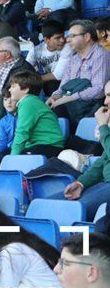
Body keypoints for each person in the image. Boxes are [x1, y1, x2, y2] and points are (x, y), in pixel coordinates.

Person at [48, 20, 110, 126]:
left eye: (72, 36)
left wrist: (69, 98)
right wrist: (54, 97)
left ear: (86, 37)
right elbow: (63, 86)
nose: (67, 40)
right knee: (50, 109)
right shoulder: (74, 59)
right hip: (73, 107)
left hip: (92, 109)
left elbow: (98, 89)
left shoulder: (101, 55)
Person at [61, 85, 110, 220]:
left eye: (109, 95)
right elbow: (102, 162)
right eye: (106, 95)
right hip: (104, 183)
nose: (105, 102)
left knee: (70, 212)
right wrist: (81, 183)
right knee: (52, 203)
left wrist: (103, 127)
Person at [7, 71, 65, 157]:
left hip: (49, 146)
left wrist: (13, 157)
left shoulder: (28, 102)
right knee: (0, 157)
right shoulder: (30, 101)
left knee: (5, 158)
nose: (9, 89)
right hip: (37, 145)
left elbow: (22, 132)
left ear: (25, 89)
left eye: (13, 86)